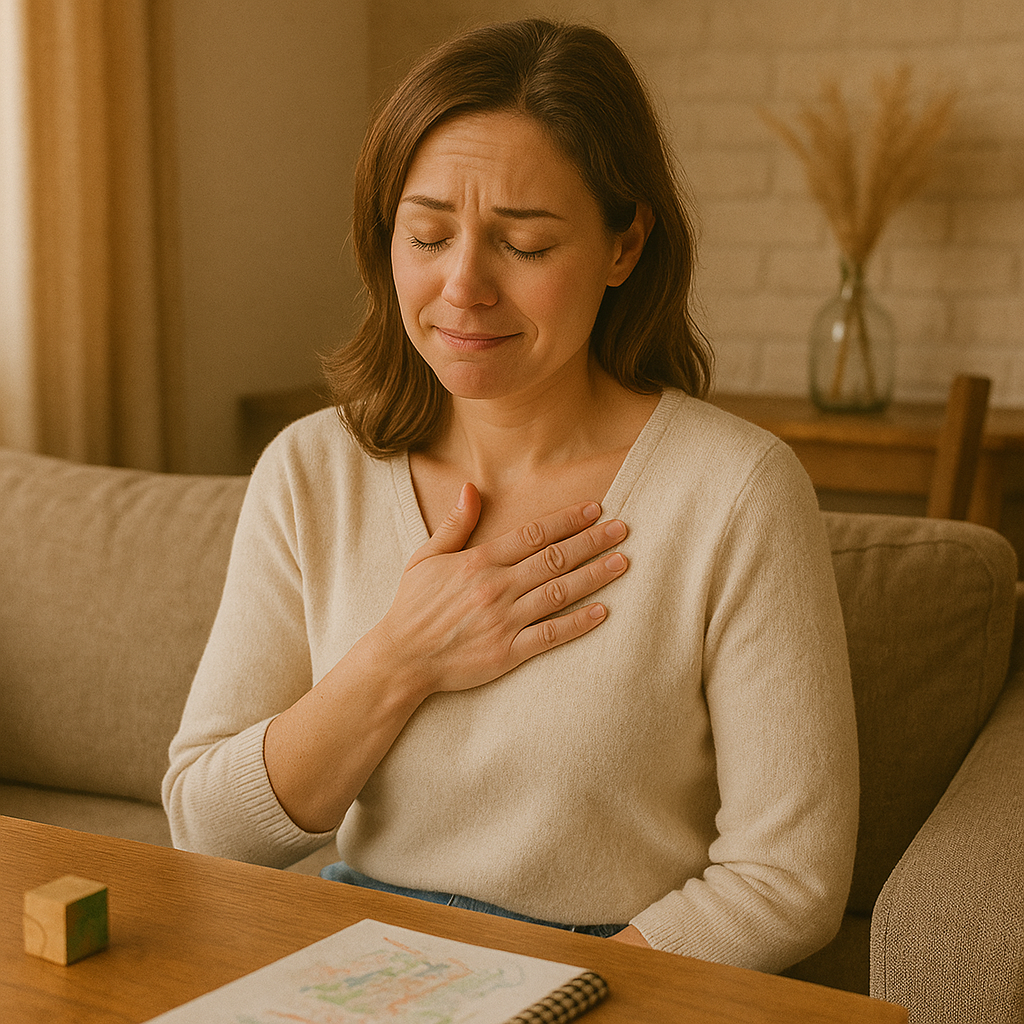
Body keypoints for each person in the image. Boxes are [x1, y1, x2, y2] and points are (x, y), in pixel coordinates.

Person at [163, 18, 858, 972]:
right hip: (359, 965)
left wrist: (563, 996)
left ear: (624, 247)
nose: (462, 287)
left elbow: (790, 880)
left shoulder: (735, 491)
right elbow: (207, 827)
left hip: (613, 974)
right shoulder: (309, 472)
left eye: (524, 246)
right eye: (428, 235)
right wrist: (399, 658)